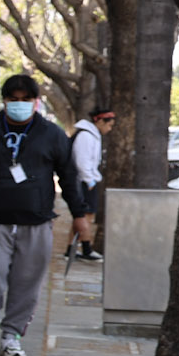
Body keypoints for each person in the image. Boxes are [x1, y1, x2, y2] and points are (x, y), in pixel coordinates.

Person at [0, 74, 94, 356]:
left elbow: (68, 176)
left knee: (27, 282)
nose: (19, 104)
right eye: (13, 99)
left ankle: (12, 334)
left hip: (36, 222)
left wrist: (79, 215)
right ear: (4, 101)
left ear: (35, 101)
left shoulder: (52, 134)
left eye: (26, 99)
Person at [69, 105, 114, 261]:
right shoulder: (86, 136)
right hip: (84, 181)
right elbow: (82, 161)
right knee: (85, 216)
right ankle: (86, 249)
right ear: (100, 121)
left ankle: (71, 249)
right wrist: (89, 180)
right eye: (109, 125)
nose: (109, 129)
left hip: (87, 179)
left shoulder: (91, 135)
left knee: (82, 216)